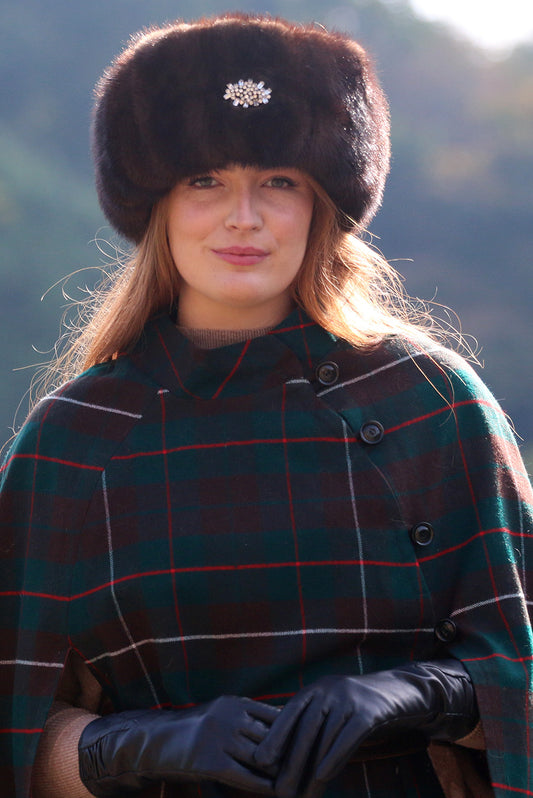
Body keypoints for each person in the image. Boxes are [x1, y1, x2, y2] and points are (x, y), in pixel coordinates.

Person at [0, 12, 531, 798]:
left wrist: (423, 695)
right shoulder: (71, 442)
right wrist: (133, 745)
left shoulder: (431, 401)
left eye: (277, 182)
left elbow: (520, 665)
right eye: (204, 181)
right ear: (157, 207)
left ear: (322, 206)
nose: (241, 216)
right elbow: (16, 727)